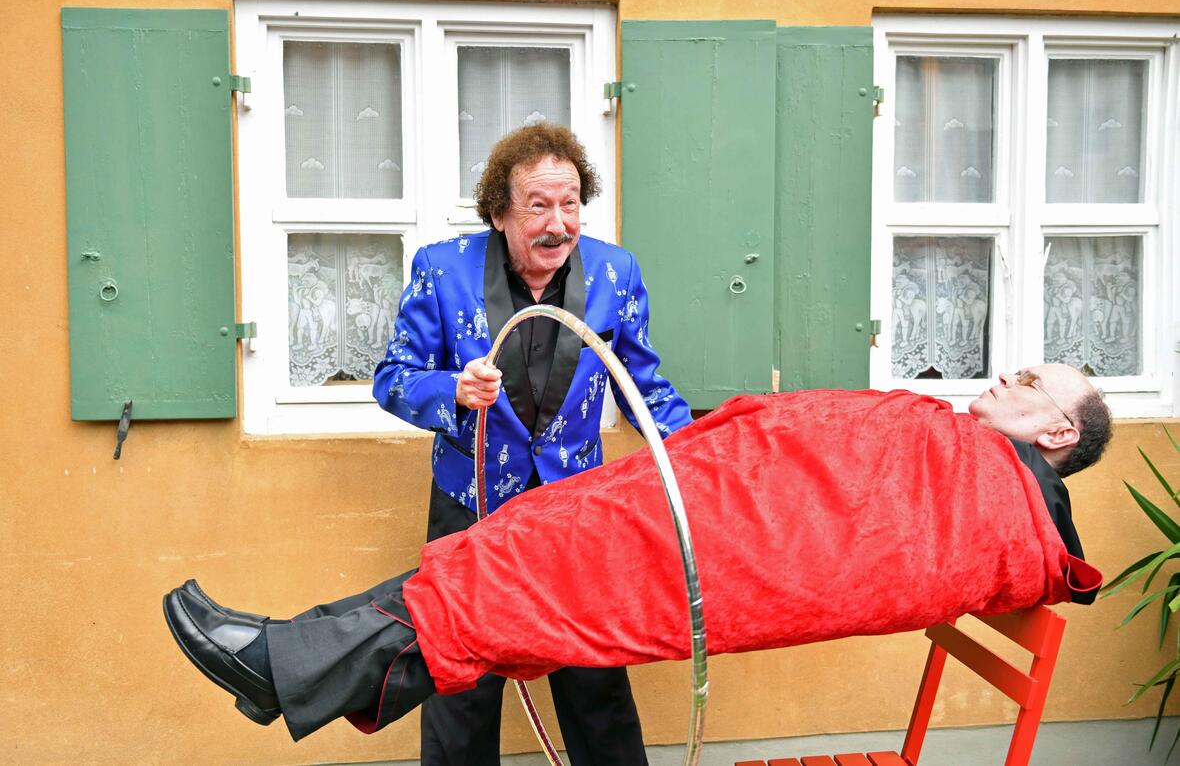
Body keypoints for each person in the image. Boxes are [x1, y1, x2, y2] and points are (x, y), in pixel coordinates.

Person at [164, 364, 1112, 745]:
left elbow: (842, 536)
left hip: (713, 547)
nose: (1007, 375)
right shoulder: (978, 471)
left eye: (1032, 382)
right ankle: (290, 666)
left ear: (1059, 431)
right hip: (687, 505)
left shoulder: (992, 504)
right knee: (501, 559)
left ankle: (282, 667)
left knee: (515, 576)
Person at [373, 123, 691, 765]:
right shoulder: (442, 269)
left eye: (570, 203)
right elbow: (393, 380)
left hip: (576, 510)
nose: (558, 223)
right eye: (538, 205)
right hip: (472, 508)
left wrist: (696, 457)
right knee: (460, 680)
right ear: (499, 212)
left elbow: (643, 389)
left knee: (595, 679)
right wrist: (453, 390)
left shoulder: (615, 272)